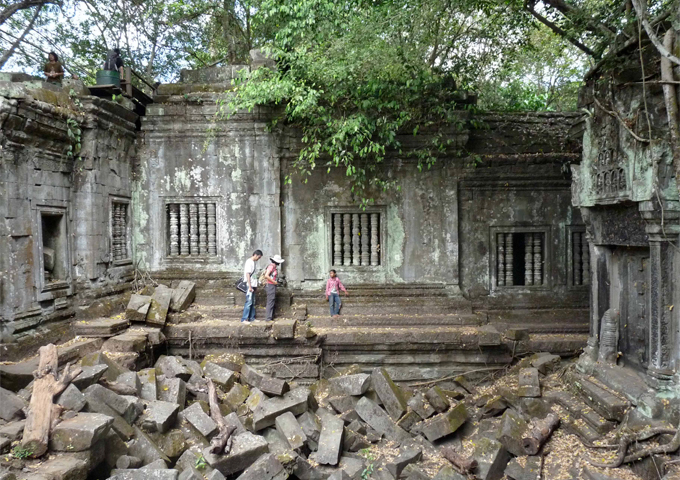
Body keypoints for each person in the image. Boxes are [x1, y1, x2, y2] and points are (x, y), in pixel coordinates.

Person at [240, 249, 262, 323]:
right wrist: (249, 286)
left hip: (253, 284)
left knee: (252, 302)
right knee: (249, 302)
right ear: (255, 255)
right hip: (250, 285)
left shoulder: (253, 262)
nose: (258, 259)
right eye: (258, 257)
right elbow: (248, 274)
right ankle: (244, 319)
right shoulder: (249, 262)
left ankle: (252, 317)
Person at [263, 255, 284, 322]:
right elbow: (266, 275)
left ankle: (270, 317)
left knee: (272, 300)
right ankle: (268, 318)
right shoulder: (271, 266)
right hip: (270, 285)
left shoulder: (274, 267)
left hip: (272, 285)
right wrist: (274, 282)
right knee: (270, 301)